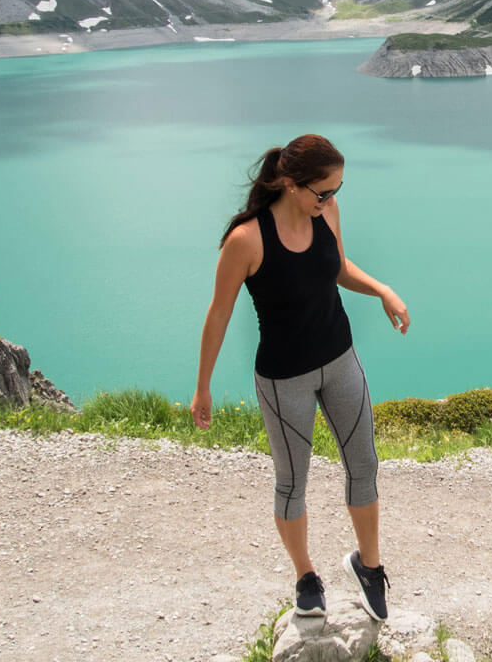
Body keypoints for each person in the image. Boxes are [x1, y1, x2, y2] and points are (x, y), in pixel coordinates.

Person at [191, 134, 409, 621]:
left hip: (341, 358)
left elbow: (335, 267)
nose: (331, 201)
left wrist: (381, 290)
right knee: (292, 483)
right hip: (283, 378)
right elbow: (219, 313)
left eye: (336, 191)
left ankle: (368, 566)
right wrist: (203, 385)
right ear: (291, 185)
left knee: (364, 464)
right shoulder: (246, 239)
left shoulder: (325, 214)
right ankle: (306, 577)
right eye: (323, 192)